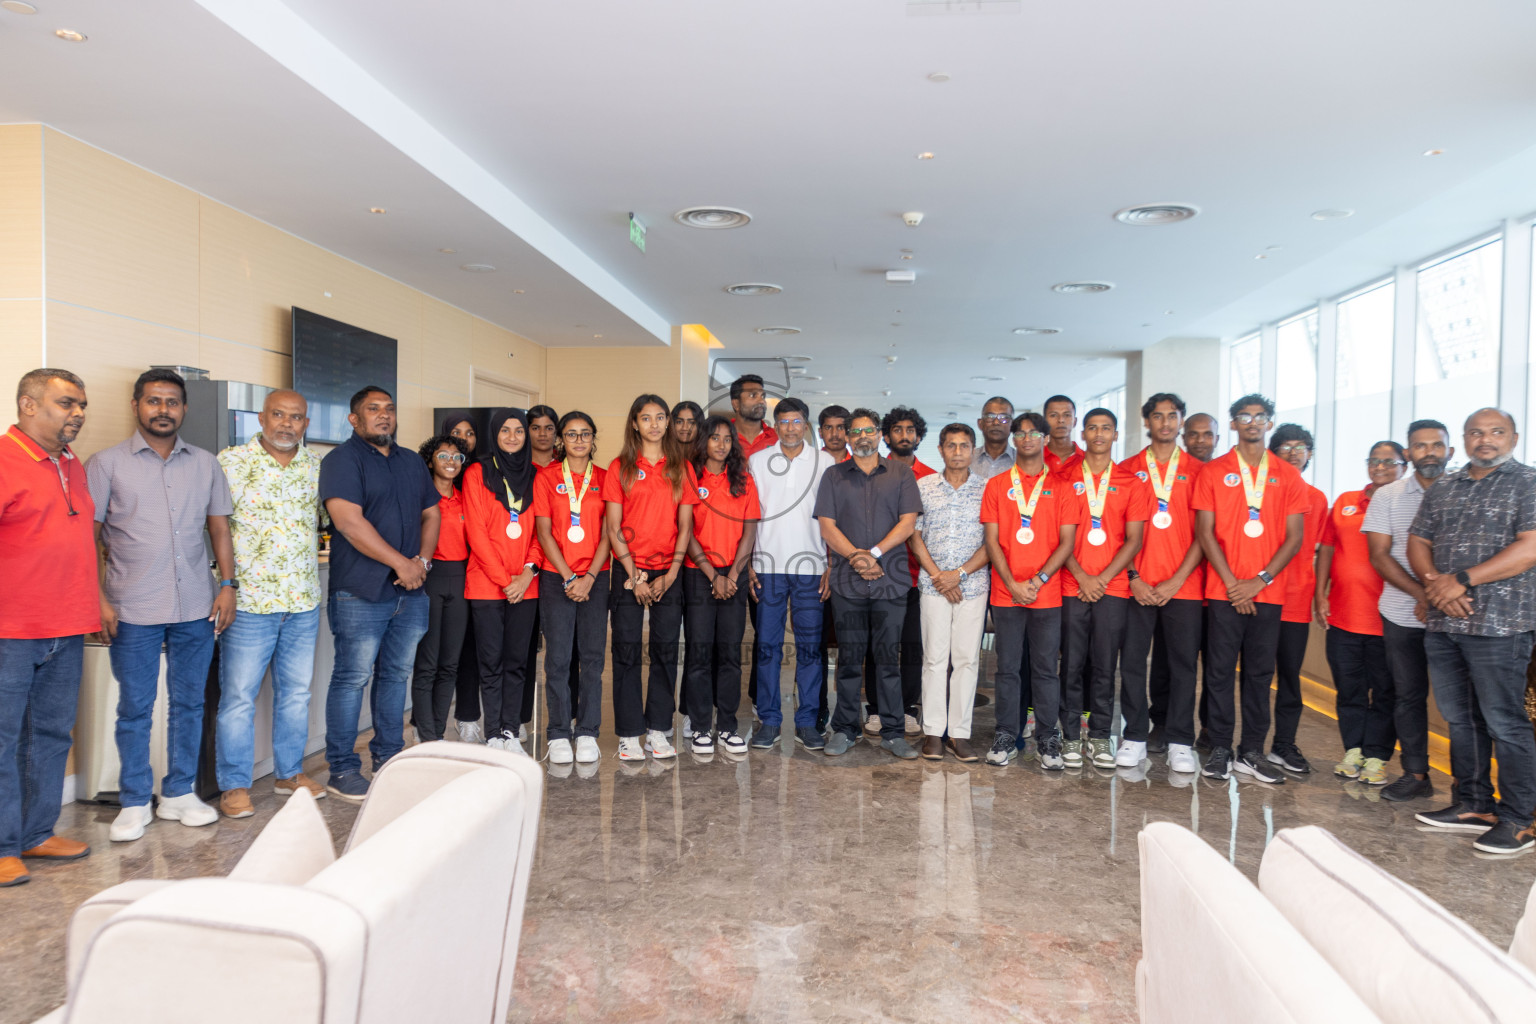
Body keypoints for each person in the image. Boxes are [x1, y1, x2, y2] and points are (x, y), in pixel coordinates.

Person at [89, 368, 236, 840]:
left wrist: (228, 584)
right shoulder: (106, 464)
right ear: (137, 406)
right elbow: (87, 537)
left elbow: (218, 529)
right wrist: (97, 599)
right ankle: (134, 801)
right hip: (131, 606)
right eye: (153, 401)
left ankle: (178, 793)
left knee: (190, 704)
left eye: (172, 402)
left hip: (195, 604)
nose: (163, 410)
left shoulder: (205, 464)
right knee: (135, 707)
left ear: (184, 408)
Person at [1409, 408, 1536, 855]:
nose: (1486, 440)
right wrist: (1435, 585)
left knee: (1504, 721)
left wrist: (1459, 581)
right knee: (1461, 720)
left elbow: (1529, 548)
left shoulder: (1528, 481)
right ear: (1464, 440)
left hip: (1501, 624)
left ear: (1514, 438)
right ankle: (1473, 805)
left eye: (1497, 432)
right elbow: (1418, 542)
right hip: (1445, 622)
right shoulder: (1445, 485)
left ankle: (1520, 820)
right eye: (1477, 433)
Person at [318, 386, 438, 801]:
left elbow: (431, 512)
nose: (384, 416)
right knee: (352, 678)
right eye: (373, 410)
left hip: (411, 592)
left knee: (395, 677)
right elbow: (349, 522)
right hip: (361, 593)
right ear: (354, 419)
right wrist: (400, 564)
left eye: (389, 409)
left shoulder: (410, 462)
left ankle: (389, 760)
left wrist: (420, 562)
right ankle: (343, 770)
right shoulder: (341, 461)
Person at [0, 369, 97, 887]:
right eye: (66, 403)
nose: (78, 413)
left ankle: (36, 833)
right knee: (4, 739)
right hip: (10, 630)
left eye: (81, 404)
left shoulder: (70, 463)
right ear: (28, 405)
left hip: (67, 625)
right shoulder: (3, 458)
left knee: (51, 735)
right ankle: (2, 845)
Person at [214, 389, 324, 821]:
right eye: (278, 415)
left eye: (296, 417)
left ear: (306, 424)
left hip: (303, 601)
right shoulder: (230, 462)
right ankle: (235, 785)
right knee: (238, 698)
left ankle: (289, 775)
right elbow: (215, 526)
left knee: (296, 695)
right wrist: (226, 584)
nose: (286, 424)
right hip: (250, 602)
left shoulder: (316, 467)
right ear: (262, 417)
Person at [1191, 394, 1308, 784]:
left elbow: (1293, 538)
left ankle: (1252, 751)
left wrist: (1259, 581)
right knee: (1219, 672)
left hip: (1268, 593)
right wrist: (1231, 584)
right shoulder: (1213, 472)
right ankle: (1221, 747)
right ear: (1234, 424)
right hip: (1222, 591)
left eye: (1260, 417)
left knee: (1259, 675)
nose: (1253, 423)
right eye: (1245, 416)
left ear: (1269, 424)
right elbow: (1205, 533)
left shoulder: (1288, 475)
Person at [816, 408, 922, 759]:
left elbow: (908, 523)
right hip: (848, 584)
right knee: (849, 659)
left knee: (887, 659)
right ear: (847, 437)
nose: (863, 436)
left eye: (870, 430)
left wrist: (873, 553)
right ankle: (844, 729)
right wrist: (858, 559)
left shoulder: (901, 474)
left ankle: (893, 731)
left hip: (891, 583)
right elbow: (828, 527)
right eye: (856, 431)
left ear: (880, 435)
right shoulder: (833, 476)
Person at [980, 412, 1080, 768]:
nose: (1026, 439)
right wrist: (1011, 583)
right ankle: (1007, 733)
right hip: (1007, 593)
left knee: (1045, 669)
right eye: (1020, 434)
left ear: (1044, 437)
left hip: (1046, 594)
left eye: (1033, 433)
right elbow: (991, 540)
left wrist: (1036, 581)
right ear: (1013, 439)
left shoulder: (1062, 486)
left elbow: (1066, 543)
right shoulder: (996, 485)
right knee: (1007, 668)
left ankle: (1048, 737)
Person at [1362, 420, 1452, 802]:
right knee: (1407, 696)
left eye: (1436, 445)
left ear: (1451, 450)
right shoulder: (1389, 495)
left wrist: (1440, 598)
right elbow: (1380, 556)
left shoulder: (1466, 491)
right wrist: (1422, 594)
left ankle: (1469, 787)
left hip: (1458, 615)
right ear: (1408, 453)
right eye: (1419, 445)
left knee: (1459, 704)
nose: (1428, 451)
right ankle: (1416, 774)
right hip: (1401, 612)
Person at [604, 394, 698, 760]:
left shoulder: (681, 468)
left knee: (665, 651)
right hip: (630, 569)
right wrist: (635, 576)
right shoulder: (620, 467)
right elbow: (613, 528)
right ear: (635, 423)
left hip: (668, 571)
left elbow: (685, 527)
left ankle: (659, 730)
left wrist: (672, 573)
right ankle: (629, 734)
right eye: (647, 418)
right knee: (625, 650)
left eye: (662, 418)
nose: (655, 424)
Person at [1120, 393, 1206, 774]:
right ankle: (1135, 735)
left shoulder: (1200, 471)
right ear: (1147, 422)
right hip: (1136, 585)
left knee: (1183, 666)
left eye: (1173, 416)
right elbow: (1116, 532)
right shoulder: (1127, 469)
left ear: (1181, 421)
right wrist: (1134, 577)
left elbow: (1205, 535)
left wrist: (1176, 580)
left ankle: (1180, 741)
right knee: (1134, 664)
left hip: (1183, 586)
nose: (1166, 423)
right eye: (1159, 416)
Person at [1060, 408, 1150, 768]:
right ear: (1083, 434)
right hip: (1071, 584)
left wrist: (1101, 578)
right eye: (1093, 428)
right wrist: (1083, 576)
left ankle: (1099, 737)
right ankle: (1069, 736)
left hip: (1112, 588)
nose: (1099, 434)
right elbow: (1058, 536)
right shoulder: (1064, 478)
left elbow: (1134, 540)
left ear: (1115, 435)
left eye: (1106, 428)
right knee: (1070, 663)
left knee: (1103, 665)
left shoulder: (1131, 482)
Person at [1316, 440, 1405, 785]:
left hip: (1391, 618)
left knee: (1386, 692)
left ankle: (1378, 756)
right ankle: (1353, 749)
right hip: (1344, 615)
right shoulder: (1346, 502)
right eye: (1374, 461)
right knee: (1349, 689)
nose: (1380, 467)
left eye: (1389, 461)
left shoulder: (1408, 503)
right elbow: (1326, 548)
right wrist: (1320, 593)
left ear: (1404, 466)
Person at [749, 398, 834, 750]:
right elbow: (750, 514)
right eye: (783, 422)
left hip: (811, 566)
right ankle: (769, 721)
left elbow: (832, 517)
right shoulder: (758, 460)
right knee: (767, 647)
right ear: (775, 425)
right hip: (768, 566)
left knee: (810, 648)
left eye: (796, 421)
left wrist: (831, 563)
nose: (790, 428)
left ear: (806, 424)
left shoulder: (825, 461)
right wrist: (749, 564)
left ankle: (807, 722)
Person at [909, 423, 990, 761]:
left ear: (973, 450)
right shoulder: (923, 487)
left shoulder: (988, 489)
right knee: (934, 659)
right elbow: (914, 535)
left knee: (967, 660)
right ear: (940, 450)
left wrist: (957, 575)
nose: (958, 452)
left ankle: (959, 734)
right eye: (951, 445)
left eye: (964, 445)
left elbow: (993, 543)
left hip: (973, 586)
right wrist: (939, 577)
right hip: (932, 586)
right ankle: (932, 732)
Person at [462, 409, 541, 754]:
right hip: (485, 584)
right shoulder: (477, 473)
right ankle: (493, 732)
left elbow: (543, 532)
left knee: (517, 662)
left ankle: (511, 730)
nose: (512, 436)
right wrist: (504, 580)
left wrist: (527, 573)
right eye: (505, 430)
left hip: (527, 586)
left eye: (519, 431)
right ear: (494, 434)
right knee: (490, 662)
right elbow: (475, 532)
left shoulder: (536, 475)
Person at [533, 410, 610, 765]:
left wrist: (590, 577)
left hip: (597, 576)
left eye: (585, 434)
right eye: (572, 434)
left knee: (592, 659)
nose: (579, 440)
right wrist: (568, 577)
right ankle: (560, 732)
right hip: (555, 578)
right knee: (559, 659)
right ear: (562, 440)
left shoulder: (606, 478)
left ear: (594, 439)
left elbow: (611, 532)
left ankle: (588, 732)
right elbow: (544, 532)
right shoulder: (547, 477)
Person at [684, 416, 759, 755]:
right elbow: (684, 532)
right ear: (703, 441)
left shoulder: (743, 480)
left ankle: (727, 725)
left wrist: (731, 575)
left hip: (735, 573)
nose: (720, 444)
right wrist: (713, 575)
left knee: (729, 653)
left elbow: (749, 532)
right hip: (698, 574)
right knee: (700, 652)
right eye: (714, 438)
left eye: (727, 439)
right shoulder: (688, 475)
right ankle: (700, 726)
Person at [1267, 424, 1329, 775]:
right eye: (1285, 446)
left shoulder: (1317, 499)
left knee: (1289, 676)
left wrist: (1319, 594)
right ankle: (1244, 745)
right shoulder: (1260, 494)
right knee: (1253, 678)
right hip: (1257, 597)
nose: (1293, 452)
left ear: (1310, 454)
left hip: (1294, 600)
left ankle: (1284, 744)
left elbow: (1320, 552)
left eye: (1301, 446)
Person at [408, 433, 472, 745]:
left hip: (460, 578)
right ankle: (426, 733)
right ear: (431, 460)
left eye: (456, 456)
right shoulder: (420, 497)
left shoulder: (466, 499)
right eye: (443, 455)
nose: (450, 461)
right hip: (429, 579)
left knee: (450, 662)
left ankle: (436, 729)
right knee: (428, 662)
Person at [881, 406, 936, 731]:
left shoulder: (930, 477)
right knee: (882, 646)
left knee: (914, 645)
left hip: (918, 577)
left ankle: (907, 708)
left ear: (919, 436)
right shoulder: (875, 471)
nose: (904, 435)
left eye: (910, 429)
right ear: (887, 435)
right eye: (898, 429)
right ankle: (877, 707)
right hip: (881, 576)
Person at [441, 413, 485, 743]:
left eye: (469, 434)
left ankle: (468, 717)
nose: (463, 439)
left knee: (470, 648)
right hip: (444, 574)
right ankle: (426, 722)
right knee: (440, 653)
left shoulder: (482, 474)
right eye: (456, 433)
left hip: (479, 571)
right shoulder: (432, 477)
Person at [730, 375, 778, 459]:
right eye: (753, 395)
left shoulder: (778, 438)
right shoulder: (721, 437)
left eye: (763, 396)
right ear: (736, 404)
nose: (761, 401)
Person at [971, 396, 1016, 479]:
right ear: (980, 424)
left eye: (1004, 418)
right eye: (990, 417)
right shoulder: (967, 460)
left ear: (1013, 425)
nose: (996, 422)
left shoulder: (1022, 462)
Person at [1042, 395, 1084, 473]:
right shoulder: (1034, 460)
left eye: (1067, 415)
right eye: (1053, 415)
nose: (1061, 420)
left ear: (1075, 422)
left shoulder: (1089, 460)